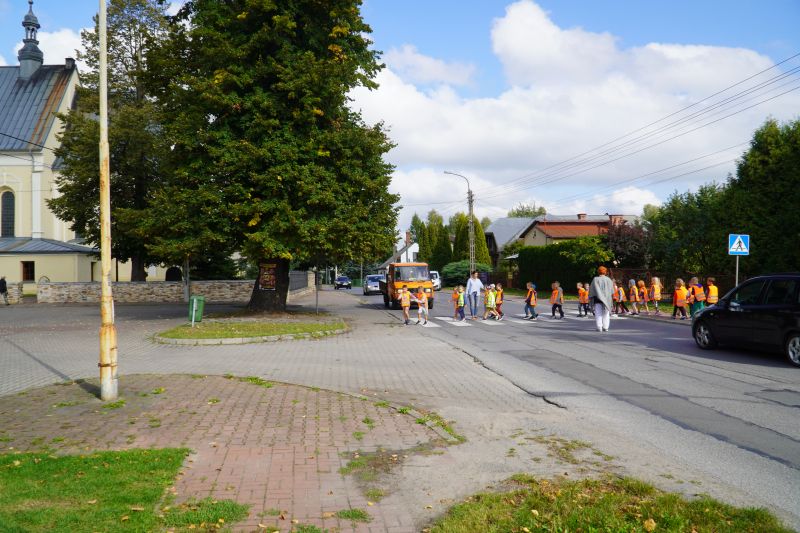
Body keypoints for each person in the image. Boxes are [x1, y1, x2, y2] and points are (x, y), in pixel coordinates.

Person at [589, 266, 614, 332]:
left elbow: (591, 290)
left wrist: (591, 297)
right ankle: (606, 327)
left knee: (598, 313)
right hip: (607, 299)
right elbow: (612, 291)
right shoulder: (609, 280)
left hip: (597, 299)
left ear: (598, 272)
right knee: (606, 313)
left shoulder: (595, 279)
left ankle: (599, 327)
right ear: (605, 272)